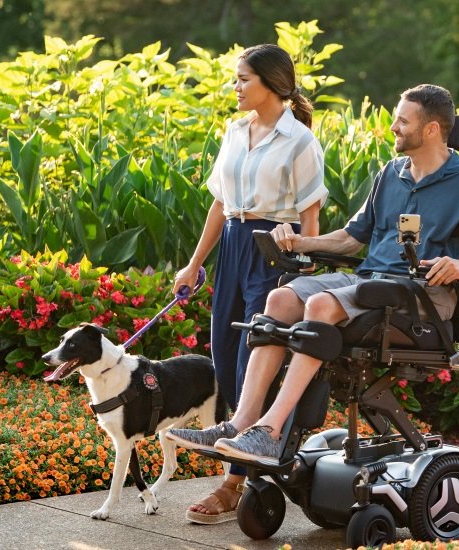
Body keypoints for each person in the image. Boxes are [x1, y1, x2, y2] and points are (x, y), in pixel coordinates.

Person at [166, 83, 459, 466]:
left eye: (403, 122)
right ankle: (241, 423)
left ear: (432, 129)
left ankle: (269, 432)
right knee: (280, 298)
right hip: (370, 283)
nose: (393, 128)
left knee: (321, 305)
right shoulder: (391, 173)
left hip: (420, 296)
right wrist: (301, 242)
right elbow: (352, 239)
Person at [168, 43, 327, 525]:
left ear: (272, 84)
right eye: (235, 78)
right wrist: (194, 265)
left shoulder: (300, 141)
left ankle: (234, 484)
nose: (234, 87)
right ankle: (241, 462)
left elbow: (311, 219)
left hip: (272, 251)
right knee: (224, 355)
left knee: (248, 362)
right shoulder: (235, 130)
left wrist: (300, 274)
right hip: (234, 249)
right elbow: (220, 204)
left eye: (243, 79)